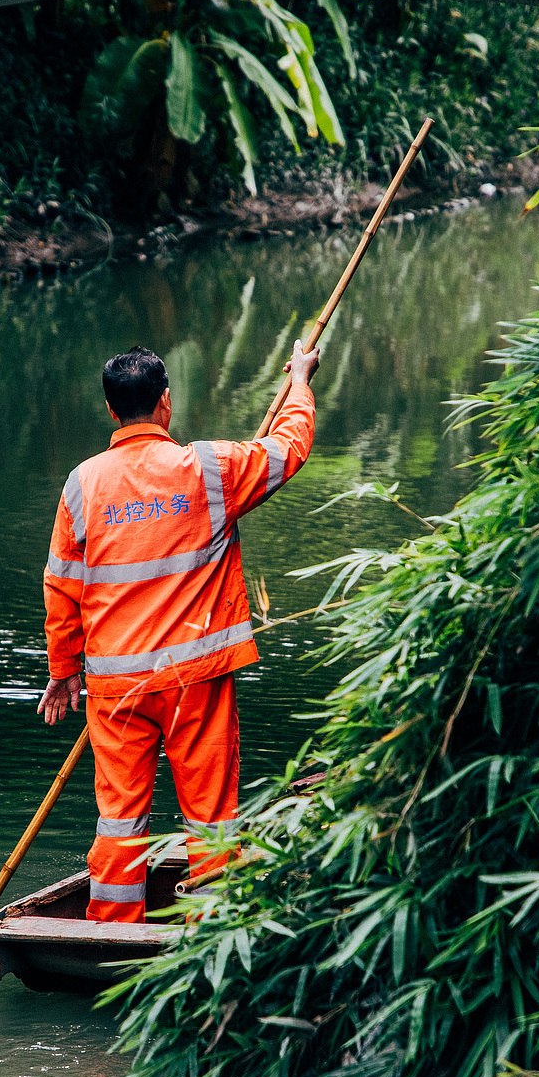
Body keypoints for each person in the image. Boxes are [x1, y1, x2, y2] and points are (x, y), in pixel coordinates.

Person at [37, 339, 320, 922]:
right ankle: (212, 929)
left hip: (116, 689)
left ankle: (112, 930)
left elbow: (61, 587)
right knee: (210, 814)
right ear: (165, 403)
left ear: (113, 412)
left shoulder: (82, 484)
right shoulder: (209, 469)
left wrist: (63, 672)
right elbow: (288, 448)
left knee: (119, 818)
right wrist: (299, 381)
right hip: (196, 679)